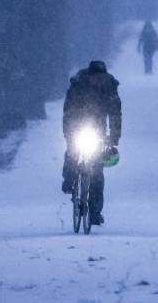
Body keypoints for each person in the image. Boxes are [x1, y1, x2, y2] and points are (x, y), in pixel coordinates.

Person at [61, 60, 122, 226]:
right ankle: (69, 180)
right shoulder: (77, 85)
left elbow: (115, 114)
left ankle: (95, 212)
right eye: (95, 77)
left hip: (98, 130)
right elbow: (68, 111)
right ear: (89, 76)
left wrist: (113, 138)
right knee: (72, 153)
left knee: (97, 172)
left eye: (100, 77)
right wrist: (68, 132)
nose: (98, 80)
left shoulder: (110, 87)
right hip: (77, 126)